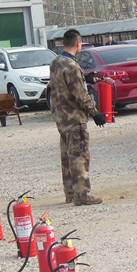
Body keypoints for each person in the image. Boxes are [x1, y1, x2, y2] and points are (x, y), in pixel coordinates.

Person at [49, 29, 106, 206]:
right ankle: (81, 194)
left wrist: (85, 78)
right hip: (74, 118)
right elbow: (81, 95)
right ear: (78, 43)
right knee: (79, 155)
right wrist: (95, 113)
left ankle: (70, 193)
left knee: (67, 156)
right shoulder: (72, 66)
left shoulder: (56, 62)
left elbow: (63, 86)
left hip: (61, 117)